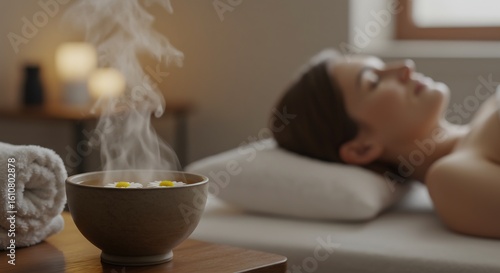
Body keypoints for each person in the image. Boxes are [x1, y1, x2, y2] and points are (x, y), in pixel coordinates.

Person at [269, 49, 500, 239]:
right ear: (362, 149)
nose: (405, 66)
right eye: (374, 81)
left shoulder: (487, 112)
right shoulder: (450, 180)